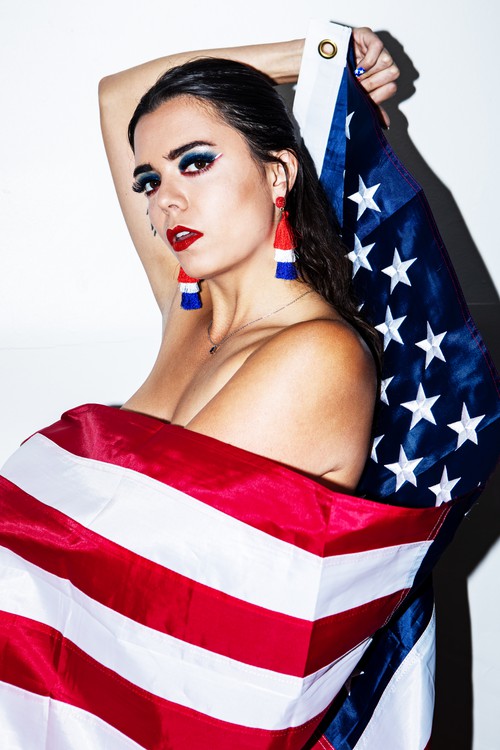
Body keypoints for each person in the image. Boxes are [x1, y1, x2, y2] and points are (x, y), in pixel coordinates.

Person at [97, 29, 400, 493]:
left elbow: (151, 522)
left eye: (195, 163)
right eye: (150, 182)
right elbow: (119, 96)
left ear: (278, 174)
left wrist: (331, 64)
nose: (166, 201)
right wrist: (317, 57)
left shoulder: (318, 353)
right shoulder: (189, 306)